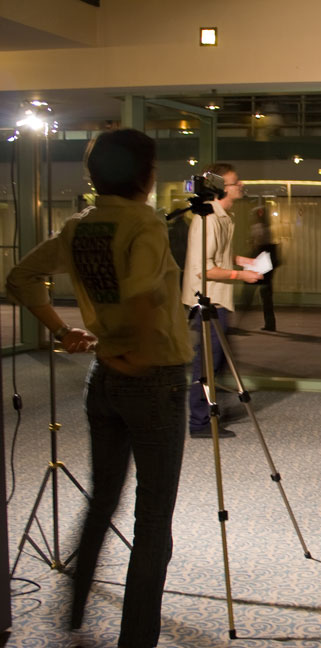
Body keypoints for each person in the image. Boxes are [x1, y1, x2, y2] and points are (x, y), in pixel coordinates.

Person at [6, 128, 192, 648]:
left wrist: (65, 332)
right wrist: (135, 353)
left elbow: (20, 279)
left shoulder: (79, 226)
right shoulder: (144, 223)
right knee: (153, 518)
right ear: (145, 175)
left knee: (102, 499)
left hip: (103, 377)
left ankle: (75, 609)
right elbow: (137, 293)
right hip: (151, 377)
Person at [181, 162, 262, 438]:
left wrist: (243, 261)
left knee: (215, 361)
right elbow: (203, 268)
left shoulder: (224, 216)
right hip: (207, 302)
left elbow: (219, 257)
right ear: (220, 189)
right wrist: (241, 275)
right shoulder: (209, 219)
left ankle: (208, 413)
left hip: (218, 300)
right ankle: (199, 423)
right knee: (206, 364)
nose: (240, 186)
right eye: (235, 183)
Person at [240, 205, 278, 331]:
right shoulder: (269, 228)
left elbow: (256, 243)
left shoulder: (257, 227)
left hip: (259, 261)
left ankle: (242, 317)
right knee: (266, 294)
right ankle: (270, 323)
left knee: (248, 291)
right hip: (266, 262)